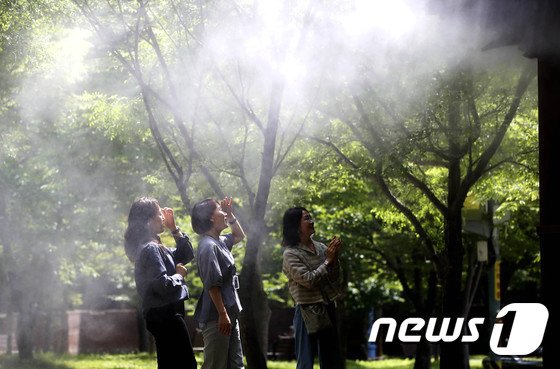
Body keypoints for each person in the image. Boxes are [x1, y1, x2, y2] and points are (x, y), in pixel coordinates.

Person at [124, 197, 197, 369]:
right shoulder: (151, 248)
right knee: (186, 364)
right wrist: (179, 276)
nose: (163, 216)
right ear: (149, 221)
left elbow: (186, 255)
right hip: (165, 314)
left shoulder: (155, 246)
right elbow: (161, 284)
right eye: (159, 213)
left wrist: (174, 229)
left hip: (163, 314)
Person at [282, 207, 344, 369]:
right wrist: (327, 262)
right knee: (306, 360)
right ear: (296, 225)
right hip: (306, 311)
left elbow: (334, 278)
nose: (312, 221)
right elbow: (308, 280)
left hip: (328, 306)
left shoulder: (322, 248)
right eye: (307, 218)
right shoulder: (290, 254)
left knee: (332, 359)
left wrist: (335, 260)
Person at [191, 197, 246, 369]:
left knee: (236, 365)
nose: (223, 213)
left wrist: (230, 215)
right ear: (210, 218)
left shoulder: (220, 242)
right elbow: (212, 284)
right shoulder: (208, 246)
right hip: (218, 317)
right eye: (219, 210)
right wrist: (222, 314)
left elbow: (239, 235)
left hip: (230, 314)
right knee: (215, 365)